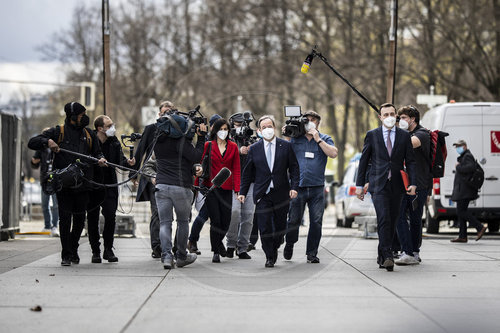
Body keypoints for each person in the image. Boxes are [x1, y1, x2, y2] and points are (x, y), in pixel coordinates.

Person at [28, 102, 107, 266]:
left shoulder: (90, 134)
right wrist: (48, 141)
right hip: (64, 186)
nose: (84, 118)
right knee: (64, 220)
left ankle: (73, 248)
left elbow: (97, 152)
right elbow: (33, 142)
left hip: (84, 185)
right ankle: (66, 254)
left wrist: (101, 159)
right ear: (72, 117)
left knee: (79, 220)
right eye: (81, 115)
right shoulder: (58, 132)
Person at [355, 103, 417, 272]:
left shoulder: (404, 136)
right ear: (380, 117)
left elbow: (410, 161)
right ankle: (388, 255)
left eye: (392, 113)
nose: (389, 117)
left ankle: (382, 255)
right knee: (384, 218)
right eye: (386, 114)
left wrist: (412, 183)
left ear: (395, 116)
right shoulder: (372, 135)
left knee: (394, 219)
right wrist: (359, 185)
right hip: (378, 184)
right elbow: (364, 161)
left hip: (397, 185)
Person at [238, 115, 300, 268]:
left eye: (269, 126)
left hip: (281, 192)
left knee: (280, 227)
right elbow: (247, 173)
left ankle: (278, 242)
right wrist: (242, 192)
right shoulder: (254, 149)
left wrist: (294, 187)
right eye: (264, 127)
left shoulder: (285, 146)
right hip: (262, 194)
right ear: (259, 130)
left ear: (275, 128)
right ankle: (269, 256)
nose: (267, 129)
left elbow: (294, 168)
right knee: (264, 227)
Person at [283, 110, 338, 264]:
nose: (310, 122)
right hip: (298, 187)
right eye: (307, 119)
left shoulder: (325, 138)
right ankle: (289, 243)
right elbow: (283, 152)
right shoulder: (295, 139)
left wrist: (318, 139)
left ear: (318, 122)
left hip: (317, 188)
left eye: (313, 119)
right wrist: (287, 134)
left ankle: (312, 253)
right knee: (293, 220)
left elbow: (333, 154)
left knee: (316, 221)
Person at [154, 114, 207, 269]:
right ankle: (182, 256)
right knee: (183, 222)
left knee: (165, 223)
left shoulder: (157, 141)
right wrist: (201, 138)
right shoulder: (181, 142)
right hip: (181, 187)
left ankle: (166, 257)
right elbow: (196, 156)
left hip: (161, 186)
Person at [87, 115, 135, 263]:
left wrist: (128, 163)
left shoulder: (114, 142)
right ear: (100, 128)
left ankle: (108, 249)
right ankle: (95, 250)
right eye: (109, 126)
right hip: (94, 185)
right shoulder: (90, 141)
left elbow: (120, 161)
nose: (112, 128)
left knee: (110, 217)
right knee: (92, 218)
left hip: (110, 185)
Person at [131, 101, 174, 258]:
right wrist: (133, 174)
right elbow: (141, 150)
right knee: (157, 212)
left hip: (173, 176)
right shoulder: (151, 129)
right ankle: (157, 246)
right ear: (159, 114)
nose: (167, 115)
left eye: (170, 112)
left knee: (170, 215)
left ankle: (167, 245)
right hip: (153, 176)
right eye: (164, 112)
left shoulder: (179, 129)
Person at [197, 118, 241, 263]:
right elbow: (201, 166)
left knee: (226, 220)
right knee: (216, 220)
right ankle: (216, 251)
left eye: (225, 129)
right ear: (215, 130)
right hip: (211, 188)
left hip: (227, 188)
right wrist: (197, 185)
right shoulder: (208, 145)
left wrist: (237, 188)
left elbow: (236, 168)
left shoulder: (233, 146)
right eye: (220, 129)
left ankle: (219, 242)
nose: (223, 132)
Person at [394, 105, 431, 265]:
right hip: (404, 183)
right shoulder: (406, 133)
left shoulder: (422, 134)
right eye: (399, 118)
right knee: (399, 216)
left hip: (419, 184)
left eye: (403, 118)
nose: (400, 121)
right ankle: (407, 251)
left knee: (415, 219)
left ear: (413, 119)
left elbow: (408, 144)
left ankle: (413, 252)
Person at [187, 114, 222, 255]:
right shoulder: (206, 141)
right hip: (206, 183)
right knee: (204, 214)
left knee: (220, 216)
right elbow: (199, 158)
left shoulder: (225, 140)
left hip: (221, 183)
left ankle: (218, 243)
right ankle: (193, 240)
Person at [225, 113, 256, 259]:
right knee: (235, 212)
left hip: (250, 181)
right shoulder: (226, 139)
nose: (241, 127)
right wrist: (238, 150)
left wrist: (252, 148)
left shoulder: (251, 139)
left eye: (244, 124)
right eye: (238, 124)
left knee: (248, 215)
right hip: (233, 182)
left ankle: (243, 247)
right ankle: (231, 244)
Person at [450, 140, 487, 243]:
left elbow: (470, 167)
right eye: (456, 146)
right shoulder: (465, 156)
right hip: (463, 189)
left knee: (461, 211)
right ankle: (462, 236)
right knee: (461, 212)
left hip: (465, 190)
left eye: (459, 146)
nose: (457, 148)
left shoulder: (467, 156)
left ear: (464, 146)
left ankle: (479, 227)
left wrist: (458, 167)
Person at [31, 130, 59, 237]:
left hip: (56, 178)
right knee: (45, 204)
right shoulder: (41, 149)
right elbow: (34, 162)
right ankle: (47, 225)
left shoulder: (57, 147)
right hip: (44, 179)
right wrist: (34, 160)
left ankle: (55, 226)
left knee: (56, 205)